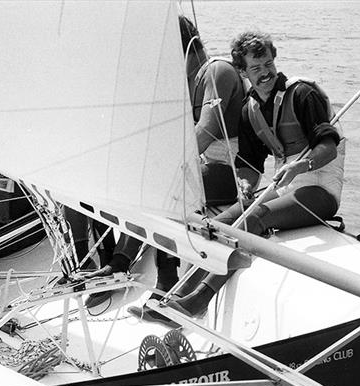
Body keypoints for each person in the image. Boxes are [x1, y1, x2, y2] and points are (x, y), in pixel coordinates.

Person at [173, 30, 345, 316]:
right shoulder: (250, 108)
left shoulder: (303, 94)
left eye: (268, 64)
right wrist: (243, 184)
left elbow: (328, 148)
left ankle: (200, 300)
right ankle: (178, 293)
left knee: (255, 217)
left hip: (319, 188)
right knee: (221, 220)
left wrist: (299, 165)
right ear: (243, 71)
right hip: (285, 187)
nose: (265, 73)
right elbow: (248, 164)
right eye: (256, 68)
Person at [87, 16, 245, 319]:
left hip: (227, 170)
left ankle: (166, 282)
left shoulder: (217, 71)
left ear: (179, 47)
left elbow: (209, 129)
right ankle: (119, 264)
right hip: (201, 168)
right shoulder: (188, 81)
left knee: (162, 187)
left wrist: (169, 168)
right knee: (144, 183)